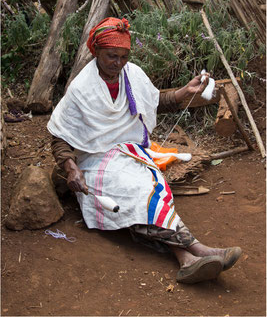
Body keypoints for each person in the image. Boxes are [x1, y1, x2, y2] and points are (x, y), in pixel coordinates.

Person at [47, 17, 241, 284]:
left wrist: (185, 91)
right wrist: (71, 170)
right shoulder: (82, 88)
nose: (118, 63)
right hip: (94, 161)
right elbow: (58, 136)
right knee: (138, 191)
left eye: (124, 56)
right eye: (111, 56)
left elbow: (155, 101)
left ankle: (186, 259)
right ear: (96, 52)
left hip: (130, 153)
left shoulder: (132, 75)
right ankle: (196, 249)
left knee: (150, 188)